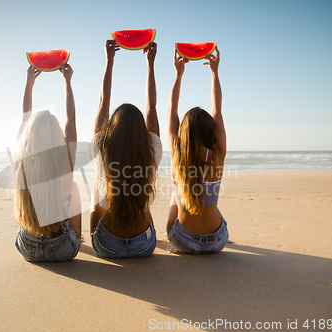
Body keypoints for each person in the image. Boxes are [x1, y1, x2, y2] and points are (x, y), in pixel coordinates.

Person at [89, 40, 162, 258]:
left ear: (110, 130)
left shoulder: (100, 149)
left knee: (96, 196)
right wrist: (150, 64)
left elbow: (102, 104)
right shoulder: (151, 152)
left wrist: (109, 61)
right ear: (142, 133)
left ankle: (99, 234)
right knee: (142, 204)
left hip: (106, 245)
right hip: (144, 247)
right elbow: (151, 109)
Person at [13, 63, 81, 262]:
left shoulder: (21, 159)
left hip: (27, 247)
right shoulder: (65, 162)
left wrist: (29, 83)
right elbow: (71, 120)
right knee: (74, 188)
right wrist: (68, 82)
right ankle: (77, 237)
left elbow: (25, 118)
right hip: (62, 249)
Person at [166, 47, 228, 254]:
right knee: (211, 203)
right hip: (217, 241)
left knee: (174, 197)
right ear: (210, 130)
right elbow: (217, 110)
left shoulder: (177, 156)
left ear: (183, 133)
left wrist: (178, 74)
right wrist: (214, 72)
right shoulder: (217, 155)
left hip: (182, 241)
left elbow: (171, 111)